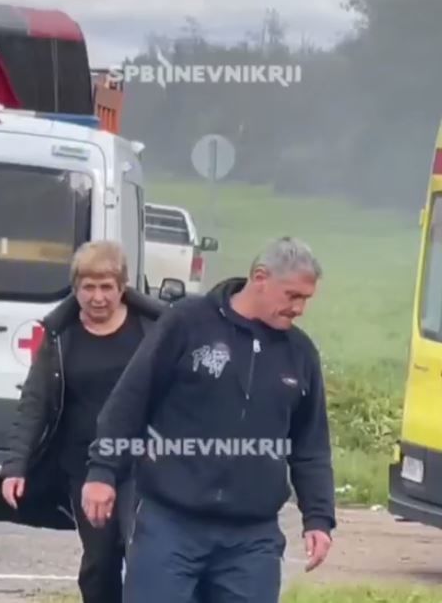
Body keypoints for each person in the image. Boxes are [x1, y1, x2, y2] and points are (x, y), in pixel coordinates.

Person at [82, 237, 336, 602]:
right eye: (292, 295)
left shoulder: (300, 355)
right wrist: (103, 470)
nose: (299, 308)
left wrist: (319, 518)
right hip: (170, 524)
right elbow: (130, 400)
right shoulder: (187, 322)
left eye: (306, 299)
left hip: (252, 538)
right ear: (260, 277)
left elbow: (311, 446)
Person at [0, 240, 165, 602]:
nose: (98, 296)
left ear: (123, 288)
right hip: (84, 467)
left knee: (143, 554)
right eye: (88, 287)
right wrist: (15, 465)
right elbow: (35, 401)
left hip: (142, 463)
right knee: (100, 561)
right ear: (75, 289)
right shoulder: (60, 337)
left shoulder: (152, 329)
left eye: (107, 287)